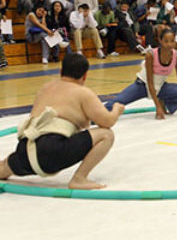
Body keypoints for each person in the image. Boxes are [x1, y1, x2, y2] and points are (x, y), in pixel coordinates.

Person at [0, 53, 124, 189]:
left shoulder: (45, 88)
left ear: (61, 71)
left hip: (25, 149)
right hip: (53, 151)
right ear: (85, 76)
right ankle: (79, 179)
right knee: (106, 135)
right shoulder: (83, 92)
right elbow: (107, 122)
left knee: (3, 168)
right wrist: (116, 110)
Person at [105, 28, 177, 120]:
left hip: (160, 86)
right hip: (142, 86)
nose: (169, 44)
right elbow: (150, 82)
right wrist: (158, 107)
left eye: (172, 41)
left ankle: (164, 101)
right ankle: (95, 116)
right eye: (166, 41)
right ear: (160, 41)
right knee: (114, 104)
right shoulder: (151, 55)